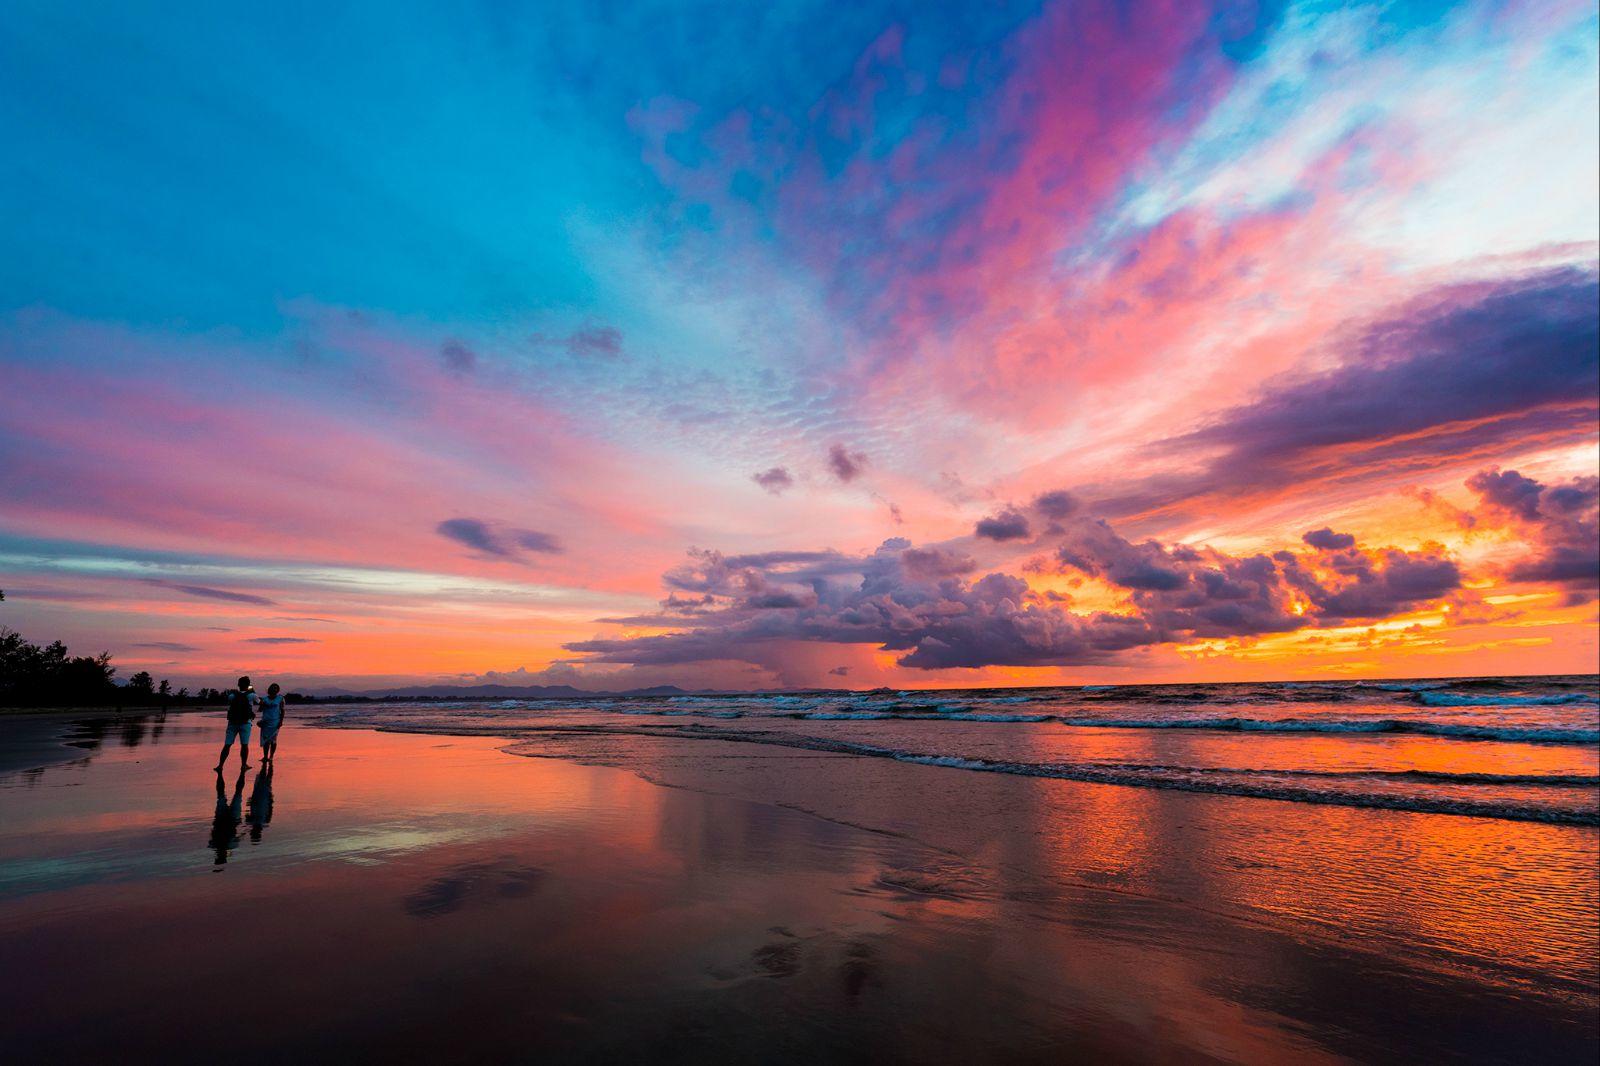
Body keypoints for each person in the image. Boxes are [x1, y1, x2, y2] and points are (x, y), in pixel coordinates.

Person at [214, 675, 258, 772]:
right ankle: (243, 765)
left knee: (227, 745)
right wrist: (252, 691)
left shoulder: (232, 695)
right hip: (245, 723)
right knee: (244, 745)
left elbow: (230, 703)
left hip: (232, 723)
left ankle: (220, 765)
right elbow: (259, 702)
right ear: (248, 684)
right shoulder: (252, 695)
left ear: (238, 684)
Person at [258, 683, 286, 763]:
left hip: (275, 722)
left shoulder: (280, 698)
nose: (274, 689)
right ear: (269, 689)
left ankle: (271, 756)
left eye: (276, 688)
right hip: (266, 722)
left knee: (273, 740)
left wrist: (281, 721)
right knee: (266, 740)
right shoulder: (264, 699)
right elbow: (260, 710)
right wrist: (262, 704)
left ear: (278, 690)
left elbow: (283, 710)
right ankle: (265, 756)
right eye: (273, 688)